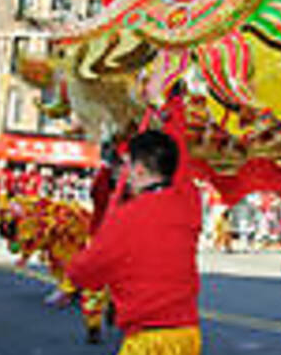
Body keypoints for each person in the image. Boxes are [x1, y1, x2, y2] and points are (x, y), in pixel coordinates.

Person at [68, 84, 202, 355]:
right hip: (188, 337)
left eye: (126, 164)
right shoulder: (188, 202)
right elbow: (180, 160)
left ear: (138, 170)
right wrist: (175, 107)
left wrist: (76, 274)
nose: (123, 172)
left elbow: (84, 271)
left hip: (148, 343)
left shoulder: (124, 219)